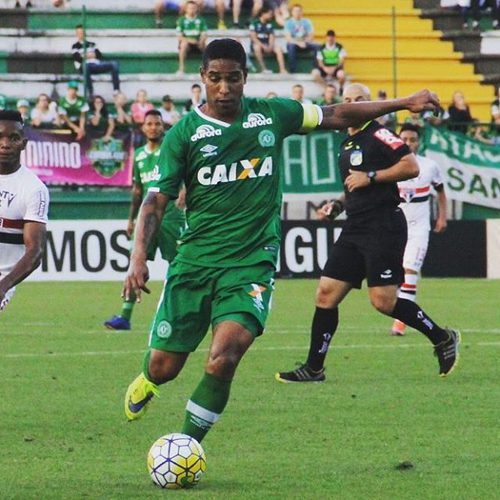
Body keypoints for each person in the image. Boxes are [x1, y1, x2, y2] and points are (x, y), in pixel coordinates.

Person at [121, 38, 444, 444]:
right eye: (215, 79)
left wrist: (403, 102)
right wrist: (138, 257)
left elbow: (336, 112)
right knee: (166, 366)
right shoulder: (183, 135)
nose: (224, 88)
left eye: (233, 79)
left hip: (251, 264)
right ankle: (149, 379)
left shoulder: (272, 115)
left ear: (245, 78)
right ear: (202, 77)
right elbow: (155, 202)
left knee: (224, 358)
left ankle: (186, 445)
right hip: (195, 262)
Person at [276, 82, 460, 384]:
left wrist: (372, 176)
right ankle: (314, 368)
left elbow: (410, 166)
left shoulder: (379, 133)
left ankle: (442, 337)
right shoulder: (347, 141)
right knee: (325, 294)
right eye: (347, 100)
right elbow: (355, 185)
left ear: (368, 104)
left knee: (383, 302)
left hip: (383, 225)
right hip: (355, 226)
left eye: (358, 100)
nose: (351, 105)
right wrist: (337, 204)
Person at [104, 110, 185, 331]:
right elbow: (138, 190)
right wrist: (131, 219)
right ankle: (125, 316)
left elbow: (187, 172)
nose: (153, 127)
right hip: (146, 216)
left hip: (170, 214)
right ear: (143, 127)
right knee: (136, 262)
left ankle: (177, 313)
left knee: (178, 264)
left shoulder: (170, 148)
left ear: (162, 127)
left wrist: (185, 192)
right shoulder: (138, 154)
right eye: (149, 123)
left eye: (157, 124)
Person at [391, 124, 448, 336]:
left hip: (419, 228)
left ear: (418, 141)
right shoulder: (391, 164)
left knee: (410, 270)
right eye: (404, 139)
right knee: (395, 275)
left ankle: (401, 322)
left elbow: (441, 191)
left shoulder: (430, 166)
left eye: (412, 139)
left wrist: (442, 216)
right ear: (398, 139)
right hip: (395, 227)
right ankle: (404, 311)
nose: (408, 143)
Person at [0, 110, 49, 312]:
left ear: (23, 144)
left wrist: (4, 285)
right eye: (0, 137)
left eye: (13, 138)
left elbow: (35, 252)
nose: (5, 144)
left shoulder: (34, 189)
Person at [72, 24, 121, 97]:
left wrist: (84, 55)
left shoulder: (92, 44)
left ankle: (116, 90)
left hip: (96, 65)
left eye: (82, 32)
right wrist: (90, 55)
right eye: (78, 33)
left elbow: (99, 55)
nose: (80, 34)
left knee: (114, 64)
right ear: (76, 34)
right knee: (85, 66)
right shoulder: (75, 46)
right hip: (86, 66)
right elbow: (77, 58)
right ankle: (91, 92)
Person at [249, 4, 288, 74]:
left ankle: (282, 69)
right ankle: (263, 68)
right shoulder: (254, 23)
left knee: (278, 48)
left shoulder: (270, 24)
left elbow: (272, 36)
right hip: (258, 44)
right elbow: (253, 37)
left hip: (267, 44)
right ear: (263, 14)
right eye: (269, 14)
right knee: (256, 47)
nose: (271, 16)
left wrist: (270, 45)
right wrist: (262, 45)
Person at [284, 3, 320, 73]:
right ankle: (292, 70)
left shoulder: (307, 21)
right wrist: (298, 43)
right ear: (292, 12)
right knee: (291, 46)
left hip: (305, 42)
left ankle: (315, 68)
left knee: (318, 46)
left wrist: (305, 42)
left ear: (301, 12)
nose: (297, 13)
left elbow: (311, 35)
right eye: (295, 11)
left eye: (299, 11)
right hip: (294, 43)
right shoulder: (288, 23)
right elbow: (288, 38)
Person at [176, 0, 208, 75]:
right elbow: (179, 37)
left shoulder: (201, 20)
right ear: (186, 9)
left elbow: (204, 34)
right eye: (190, 8)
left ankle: (206, 68)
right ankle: (181, 69)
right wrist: (190, 40)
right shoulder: (181, 20)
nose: (192, 10)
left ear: (197, 9)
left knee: (206, 46)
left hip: (198, 43)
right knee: (183, 44)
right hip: (188, 44)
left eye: (194, 8)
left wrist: (201, 40)